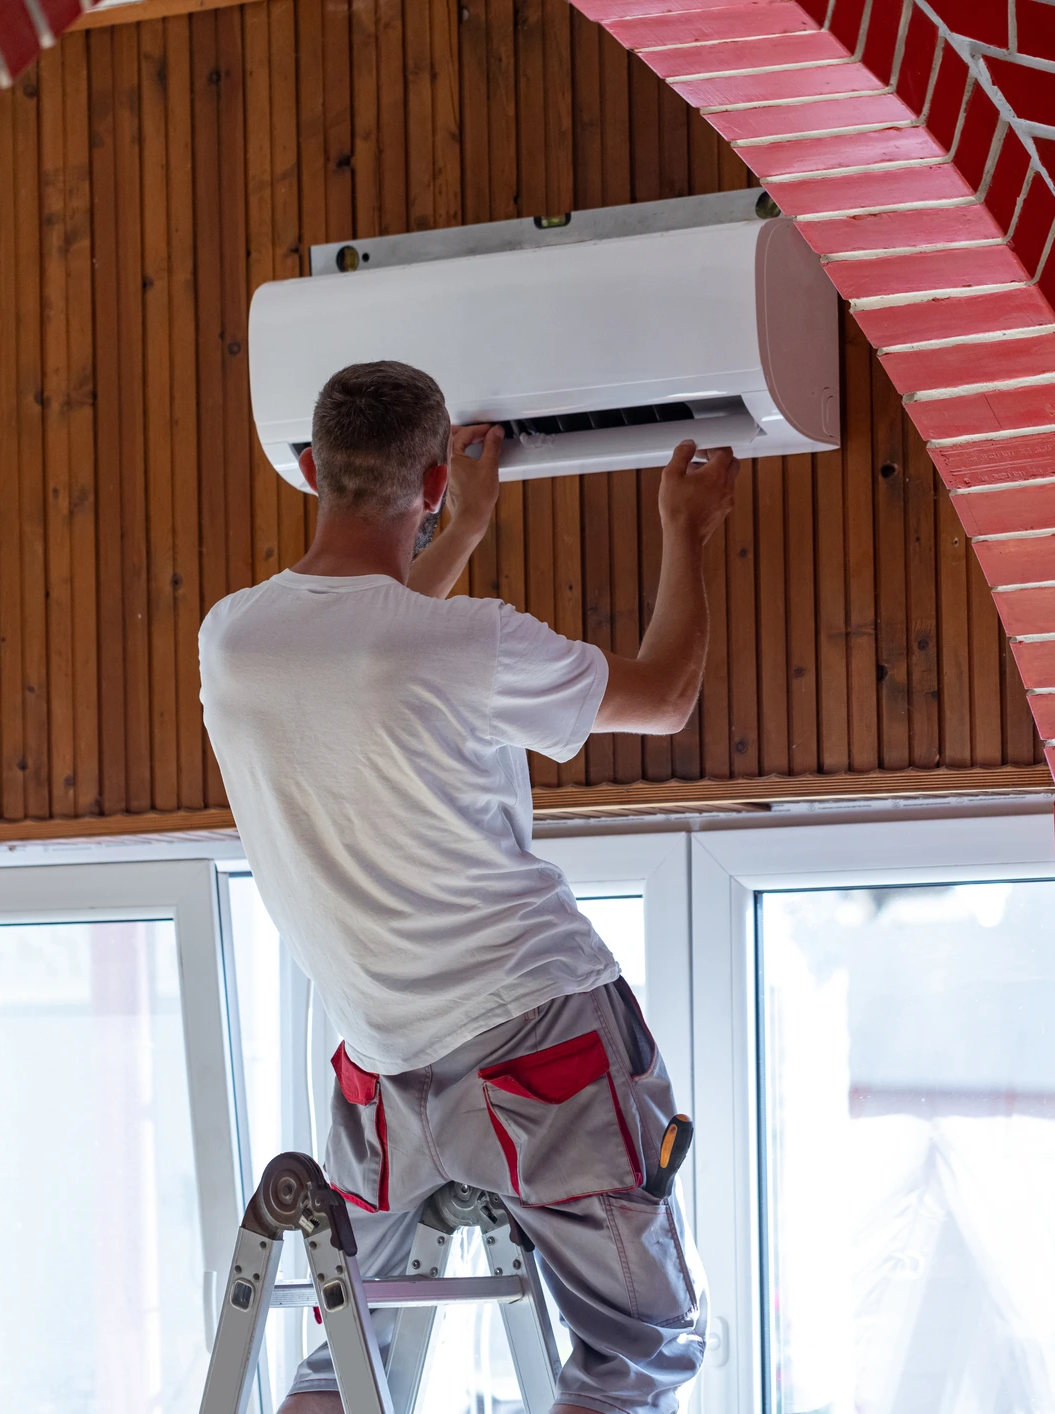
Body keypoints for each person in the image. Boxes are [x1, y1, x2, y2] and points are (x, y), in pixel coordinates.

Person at [199, 360, 739, 1414]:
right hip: (542, 1035)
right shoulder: (471, 642)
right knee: (642, 1350)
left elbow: (368, 646)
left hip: (383, 1067)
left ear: (309, 470)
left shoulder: (233, 640)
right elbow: (666, 694)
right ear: (434, 480)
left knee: (344, 1371)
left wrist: (464, 532)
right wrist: (684, 526)